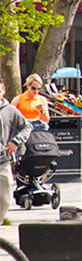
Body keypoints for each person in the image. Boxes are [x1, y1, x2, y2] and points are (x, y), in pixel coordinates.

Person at [0, 79, 32, 223]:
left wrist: (16, 142)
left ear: (4, 90)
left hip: (2, 161)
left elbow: (27, 127)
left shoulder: (9, 110)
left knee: (5, 200)